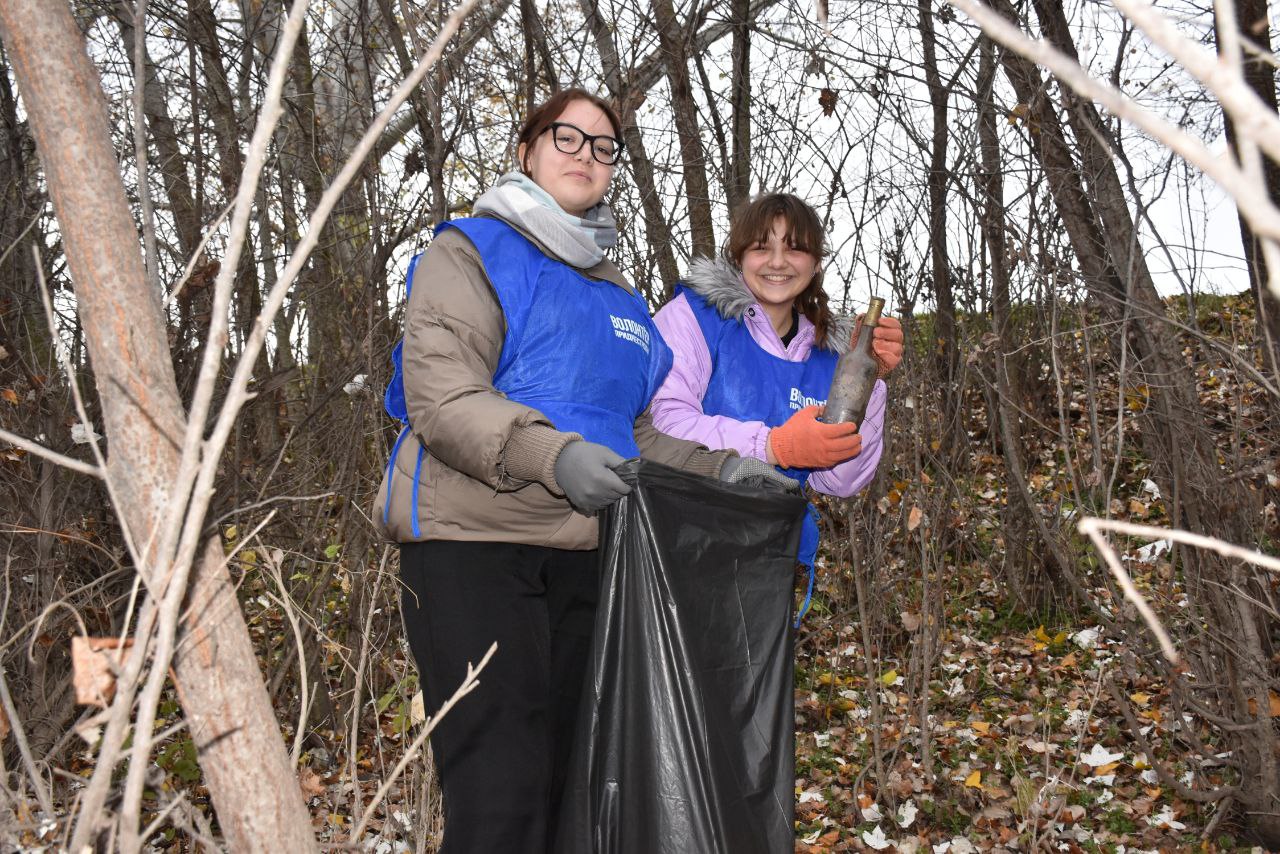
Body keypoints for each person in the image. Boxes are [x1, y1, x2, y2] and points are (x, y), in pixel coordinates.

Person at [374, 90, 744, 852]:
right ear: (527, 150)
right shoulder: (469, 250)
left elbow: (640, 435)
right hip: (471, 551)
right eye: (566, 137)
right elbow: (442, 397)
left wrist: (730, 473)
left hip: (586, 560)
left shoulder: (621, 299)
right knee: (501, 799)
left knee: (567, 794)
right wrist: (555, 454)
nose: (586, 155)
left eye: (604, 146)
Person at [650, 193, 905, 617]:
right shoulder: (694, 317)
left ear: (816, 262)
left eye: (795, 248)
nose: (778, 262)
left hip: (772, 559)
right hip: (678, 548)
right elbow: (661, 423)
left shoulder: (827, 355)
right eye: (761, 247)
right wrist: (774, 446)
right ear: (739, 256)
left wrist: (869, 381)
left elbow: (840, 480)